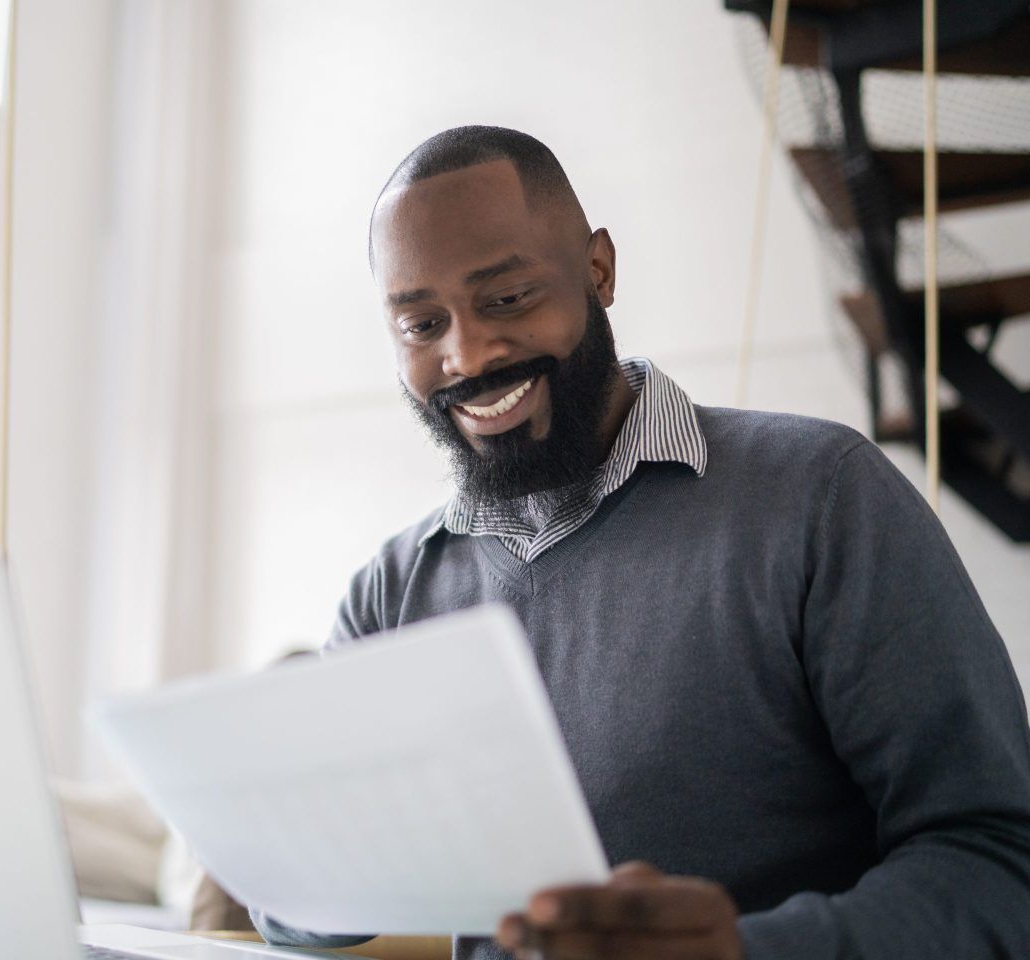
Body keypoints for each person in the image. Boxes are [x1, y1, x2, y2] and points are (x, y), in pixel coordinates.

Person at [248, 126, 1030, 960]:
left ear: (598, 272)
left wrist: (744, 953)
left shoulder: (821, 497)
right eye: (421, 324)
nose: (467, 354)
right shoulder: (393, 590)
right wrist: (304, 856)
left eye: (507, 299)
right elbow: (290, 910)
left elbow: (1001, 865)